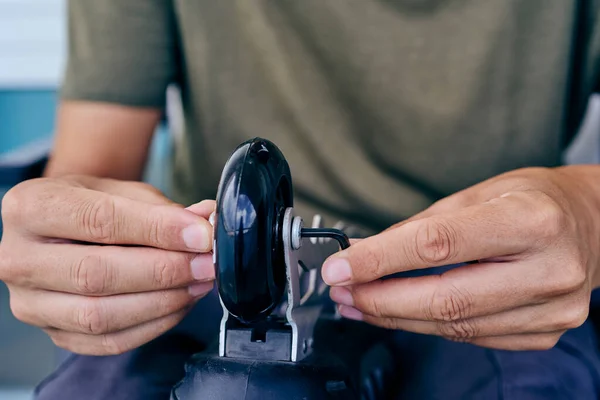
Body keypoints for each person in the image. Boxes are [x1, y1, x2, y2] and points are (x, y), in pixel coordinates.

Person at [1, 0, 600, 398]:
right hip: (206, 281)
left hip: (498, 284)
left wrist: (588, 213)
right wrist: (72, 249)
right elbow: (91, 173)